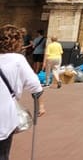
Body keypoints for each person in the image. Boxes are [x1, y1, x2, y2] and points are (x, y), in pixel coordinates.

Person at [0, 24, 46, 160]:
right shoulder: (17, 60)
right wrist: (41, 105)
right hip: (3, 115)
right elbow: (35, 86)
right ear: (18, 42)